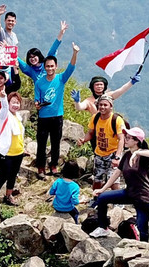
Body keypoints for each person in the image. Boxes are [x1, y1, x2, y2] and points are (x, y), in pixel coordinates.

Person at [89, 127, 149, 239]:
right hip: (130, 193)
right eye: (125, 137)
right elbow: (117, 173)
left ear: (137, 141)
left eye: (128, 138)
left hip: (144, 197)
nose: (125, 140)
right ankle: (103, 228)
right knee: (102, 198)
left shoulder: (143, 157)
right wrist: (102, 189)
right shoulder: (126, 155)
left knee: (142, 227)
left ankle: (143, 249)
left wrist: (137, 153)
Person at [33, 42, 79, 177]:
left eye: (52, 66)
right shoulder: (39, 82)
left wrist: (75, 53)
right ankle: (40, 167)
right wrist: (37, 104)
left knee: (55, 142)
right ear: (44, 67)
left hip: (57, 116)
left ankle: (53, 165)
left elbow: (71, 68)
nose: (49, 68)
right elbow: (37, 98)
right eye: (47, 66)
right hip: (43, 116)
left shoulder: (61, 79)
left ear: (56, 66)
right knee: (41, 143)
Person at [81, 95, 127, 190]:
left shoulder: (117, 120)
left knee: (113, 180)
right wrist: (84, 140)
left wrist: (117, 157)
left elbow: (121, 139)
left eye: (105, 105)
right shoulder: (96, 117)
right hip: (99, 153)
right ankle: (96, 199)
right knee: (97, 179)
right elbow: (90, 132)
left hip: (113, 154)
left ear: (111, 106)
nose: (102, 107)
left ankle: (118, 204)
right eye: (100, 105)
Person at [0, 91, 25, 205]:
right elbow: (4, 106)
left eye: (18, 103)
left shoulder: (18, 116)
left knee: (13, 176)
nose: (15, 105)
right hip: (7, 154)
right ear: (8, 103)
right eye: (13, 102)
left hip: (18, 152)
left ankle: (8, 196)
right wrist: (3, 97)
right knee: (2, 177)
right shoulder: (4, 115)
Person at [71, 72, 142, 116]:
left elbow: (121, 90)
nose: (99, 86)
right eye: (97, 85)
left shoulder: (109, 96)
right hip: (97, 124)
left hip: (109, 123)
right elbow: (79, 107)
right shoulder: (89, 101)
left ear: (104, 86)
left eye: (101, 84)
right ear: (92, 87)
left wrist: (131, 82)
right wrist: (77, 102)